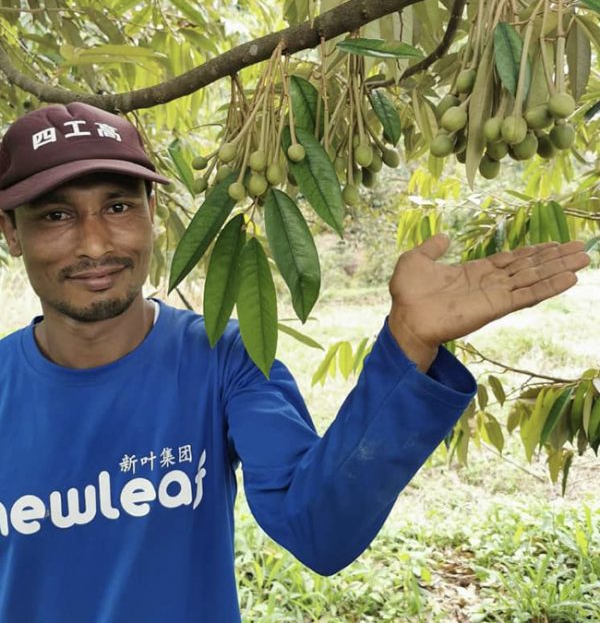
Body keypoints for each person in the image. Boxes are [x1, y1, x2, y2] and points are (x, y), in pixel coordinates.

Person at [0, 102, 589, 623]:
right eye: (56, 215)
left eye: (119, 206)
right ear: (11, 232)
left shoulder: (225, 358)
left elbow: (319, 528)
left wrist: (409, 342)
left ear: (152, 209)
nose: (96, 243)